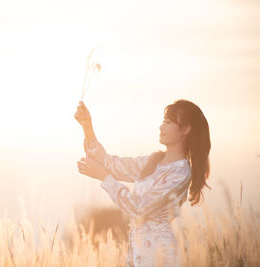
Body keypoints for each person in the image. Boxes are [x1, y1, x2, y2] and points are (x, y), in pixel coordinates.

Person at [74, 99, 211, 267]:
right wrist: (87, 126)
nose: (161, 127)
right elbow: (108, 164)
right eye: (163, 122)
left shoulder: (180, 172)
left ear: (185, 129)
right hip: (137, 253)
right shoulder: (153, 161)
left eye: (168, 122)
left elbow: (139, 208)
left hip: (159, 254)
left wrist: (104, 177)